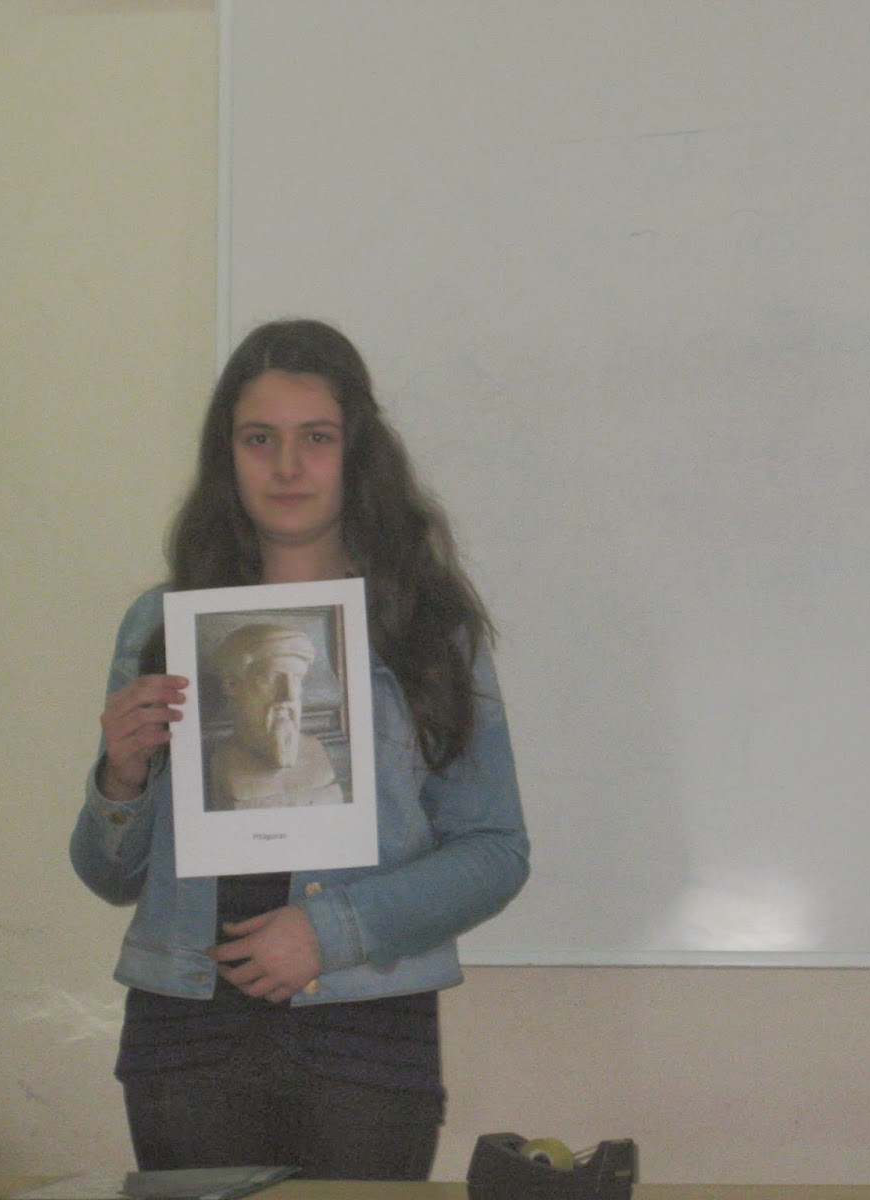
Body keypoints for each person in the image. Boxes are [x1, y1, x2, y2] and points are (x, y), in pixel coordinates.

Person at [71, 318, 529, 1179]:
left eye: (316, 438)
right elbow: (108, 875)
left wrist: (330, 931)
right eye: (259, 439)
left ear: (357, 453)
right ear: (227, 456)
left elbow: (496, 850)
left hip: (365, 1036)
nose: (287, 466)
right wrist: (120, 778)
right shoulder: (159, 623)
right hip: (185, 1036)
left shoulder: (425, 628)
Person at [207, 622, 344, 812]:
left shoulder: (316, 751)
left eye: (297, 678)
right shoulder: (224, 762)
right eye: (271, 678)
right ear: (232, 685)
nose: (289, 695)